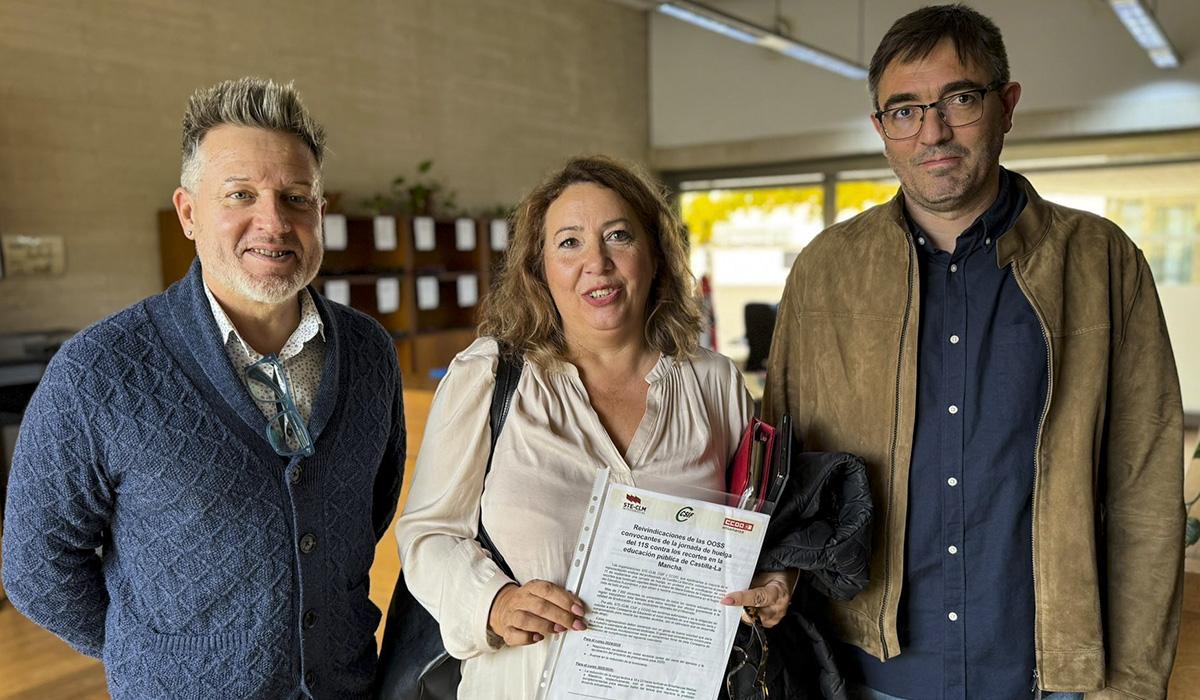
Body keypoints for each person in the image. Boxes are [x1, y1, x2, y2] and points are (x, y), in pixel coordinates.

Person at [764, 5, 1184, 700]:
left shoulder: (1100, 262)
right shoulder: (825, 272)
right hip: (871, 674)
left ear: (1006, 105)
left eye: (959, 99)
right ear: (881, 129)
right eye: (904, 110)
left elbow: (1144, 491)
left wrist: (1134, 681)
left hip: (1049, 676)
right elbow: (784, 479)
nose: (933, 132)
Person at [2, 77, 406, 699]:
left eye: (296, 197)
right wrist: (159, 653)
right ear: (189, 214)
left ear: (321, 213)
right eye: (239, 194)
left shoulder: (370, 353)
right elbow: (37, 567)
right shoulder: (100, 371)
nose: (273, 222)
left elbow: (366, 511)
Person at [393, 156, 796, 699]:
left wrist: (773, 580)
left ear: (653, 254)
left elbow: (757, 524)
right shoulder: (489, 376)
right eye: (569, 243)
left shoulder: (713, 381)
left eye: (618, 236)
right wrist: (493, 602)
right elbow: (428, 534)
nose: (597, 263)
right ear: (539, 269)